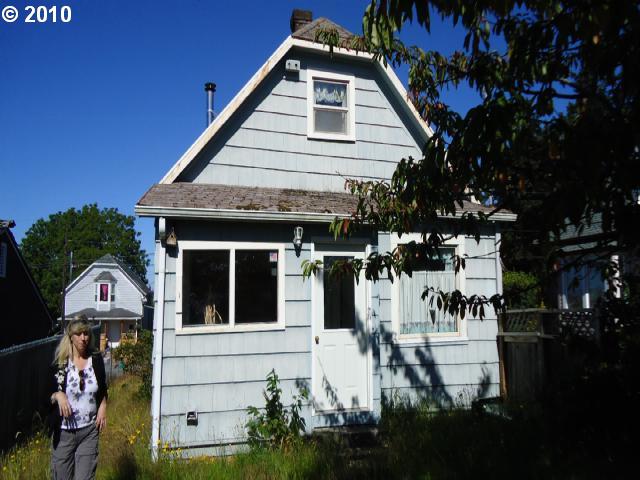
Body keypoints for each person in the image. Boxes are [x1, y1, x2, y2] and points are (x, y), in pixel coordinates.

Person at [49, 315, 108, 480]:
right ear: (71, 336)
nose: (83, 338)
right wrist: (58, 395)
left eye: (86, 333)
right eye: (79, 334)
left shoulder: (95, 359)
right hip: (64, 432)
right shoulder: (60, 363)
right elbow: (45, 396)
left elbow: (103, 388)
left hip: (89, 430)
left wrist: (103, 406)